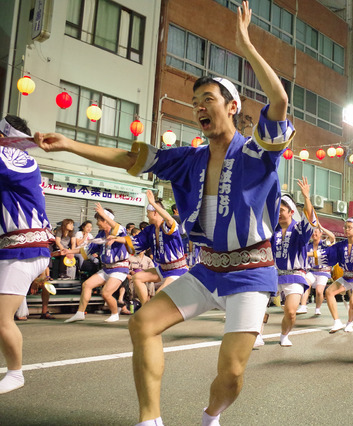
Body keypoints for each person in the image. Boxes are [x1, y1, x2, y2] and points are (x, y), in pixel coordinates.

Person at [35, 2, 293, 424]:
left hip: (251, 270)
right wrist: (69, 145)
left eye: (208, 99)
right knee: (142, 325)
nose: (199, 108)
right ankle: (150, 420)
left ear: (232, 106)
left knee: (230, 373)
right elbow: (128, 157)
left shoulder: (258, 151)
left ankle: (211, 415)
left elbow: (279, 99)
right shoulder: (187, 159)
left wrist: (245, 43)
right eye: (195, 103)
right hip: (206, 269)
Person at [0, 115, 54, 394]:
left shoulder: (18, 157)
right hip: (13, 249)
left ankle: (15, 373)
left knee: (1, 318)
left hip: (25, 249)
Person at [109, 190, 188, 305]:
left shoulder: (167, 225)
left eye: (148, 212)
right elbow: (134, 240)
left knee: (158, 297)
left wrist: (153, 202)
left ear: (155, 212)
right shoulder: (149, 230)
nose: (146, 215)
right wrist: (117, 239)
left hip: (178, 270)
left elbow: (170, 219)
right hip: (163, 268)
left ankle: (153, 313)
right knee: (137, 278)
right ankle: (146, 306)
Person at [59, 203, 129, 323]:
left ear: (106, 220)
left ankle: (115, 313)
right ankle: (80, 313)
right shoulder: (101, 235)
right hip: (106, 268)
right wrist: (69, 251)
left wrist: (103, 214)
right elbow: (86, 250)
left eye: (99, 220)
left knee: (106, 293)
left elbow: (117, 227)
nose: (97, 223)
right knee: (87, 285)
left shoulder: (119, 231)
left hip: (119, 268)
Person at [270, 178, 317, 346]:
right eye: (278, 210)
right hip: (273, 275)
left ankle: (284, 335)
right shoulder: (271, 230)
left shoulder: (299, 229)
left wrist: (306, 198)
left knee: (290, 312)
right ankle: (257, 334)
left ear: (291, 212)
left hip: (295, 275)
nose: (279, 213)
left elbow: (310, 220)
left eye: (283, 210)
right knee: (257, 306)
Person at [301, 223, 336, 316]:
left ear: (320, 234)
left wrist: (321, 227)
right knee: (306, 284)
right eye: (312, 233)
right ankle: (303, 306)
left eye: (316, 232)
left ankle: (317, 308)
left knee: (319, 291)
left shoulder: (324, 243)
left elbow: (332, 237)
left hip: (323, 271)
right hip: (312, 271)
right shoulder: (308, 245)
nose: (314, 234)